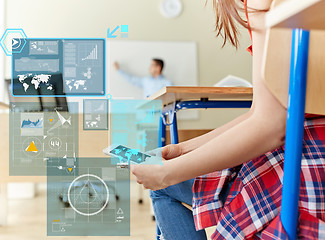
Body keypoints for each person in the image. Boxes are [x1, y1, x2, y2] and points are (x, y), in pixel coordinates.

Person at [131, 0, 325, 239]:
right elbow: (260, 116)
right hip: (307, 142)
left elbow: (270, 125)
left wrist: (168, 174)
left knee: (164, 187)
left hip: (302, 160)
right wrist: (182, 149)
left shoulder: (261, 4)